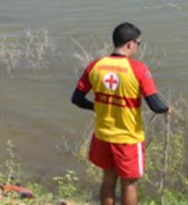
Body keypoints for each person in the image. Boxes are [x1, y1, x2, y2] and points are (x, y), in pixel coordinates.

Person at [71, 22, 171, 205]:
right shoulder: (138, 69)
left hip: (103, 136)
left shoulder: (96, 66)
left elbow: (76, 99)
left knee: (108, 179)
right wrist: (167, 109)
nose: (137, 48)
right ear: (130, 43)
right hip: (128, 139)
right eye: (138, 44)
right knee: (129, 185)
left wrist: (97, 107)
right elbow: (156, 105)